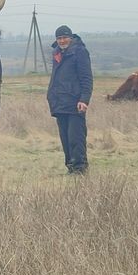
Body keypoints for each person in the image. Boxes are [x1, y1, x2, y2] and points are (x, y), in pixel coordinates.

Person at [46, 25, 93, 175]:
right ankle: (71, 167)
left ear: (71, 38)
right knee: (65, 138)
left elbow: (86, 78)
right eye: (59, 38)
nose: (62, 41)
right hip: (59, 103)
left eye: (64, 37)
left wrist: (84, 100)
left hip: (75, 103)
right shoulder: (57, 53)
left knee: (76, 137)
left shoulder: (80, 52)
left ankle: (80, 168)